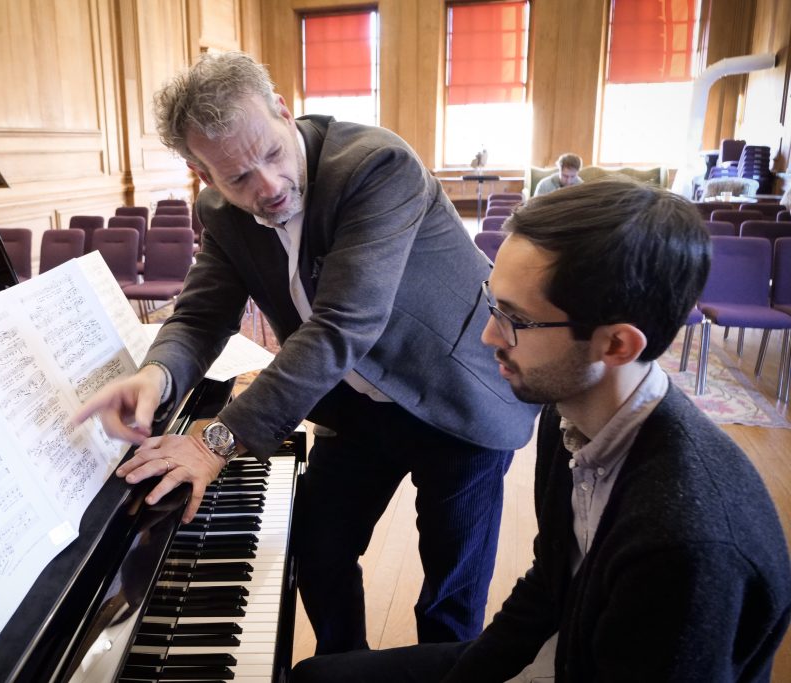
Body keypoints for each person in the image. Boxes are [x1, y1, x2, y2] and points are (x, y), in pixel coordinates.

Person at [75, 51, 538, 654]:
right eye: (236, 177)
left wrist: (215, 441)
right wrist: (158, 376)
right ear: (203, 174)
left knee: (449, 588)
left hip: (454, 391)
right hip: (355, 405)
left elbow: (343, 325)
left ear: (283, 112)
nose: (266, 188)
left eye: (271, 153)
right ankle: (343, 668)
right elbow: (200, 314)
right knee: (318, 547)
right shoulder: (220, 212)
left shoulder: (376, 165)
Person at [292, 177, 791, 682]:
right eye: (492, 303)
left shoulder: (687, 548)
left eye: (515, 319)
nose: (488, 335)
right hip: (563, 649)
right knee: (316, 677)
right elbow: (550, 584)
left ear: (616, 345)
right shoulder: (568, 414)